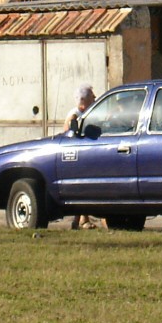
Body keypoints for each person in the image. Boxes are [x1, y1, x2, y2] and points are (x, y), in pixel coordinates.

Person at [63, 84, 100, 230]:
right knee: (82, 187)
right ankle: (83, 220)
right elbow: (71, 133)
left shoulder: (82, 114)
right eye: (92, 96)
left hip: (80, 154)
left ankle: (78, 220)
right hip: (76, 156)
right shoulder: (75, 115)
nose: (95, 98)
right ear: (85, 100)